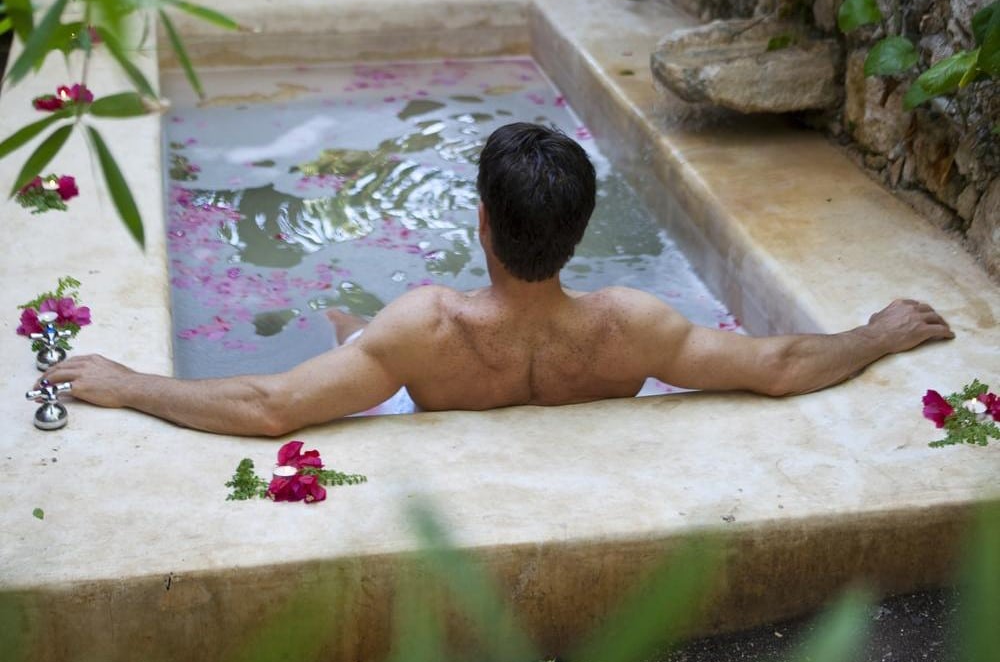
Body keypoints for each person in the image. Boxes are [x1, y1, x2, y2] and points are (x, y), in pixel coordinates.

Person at [42, 123, 954, 436]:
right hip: (559, 363)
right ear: (581, 233)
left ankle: (338, 320)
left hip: (436, 387)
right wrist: (877, 333)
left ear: (478, 223)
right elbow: (781, 364)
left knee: (343, 318)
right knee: (358, 325)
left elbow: (271, 406)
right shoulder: (631, 322)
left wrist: (130, 383)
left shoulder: (423, 326)